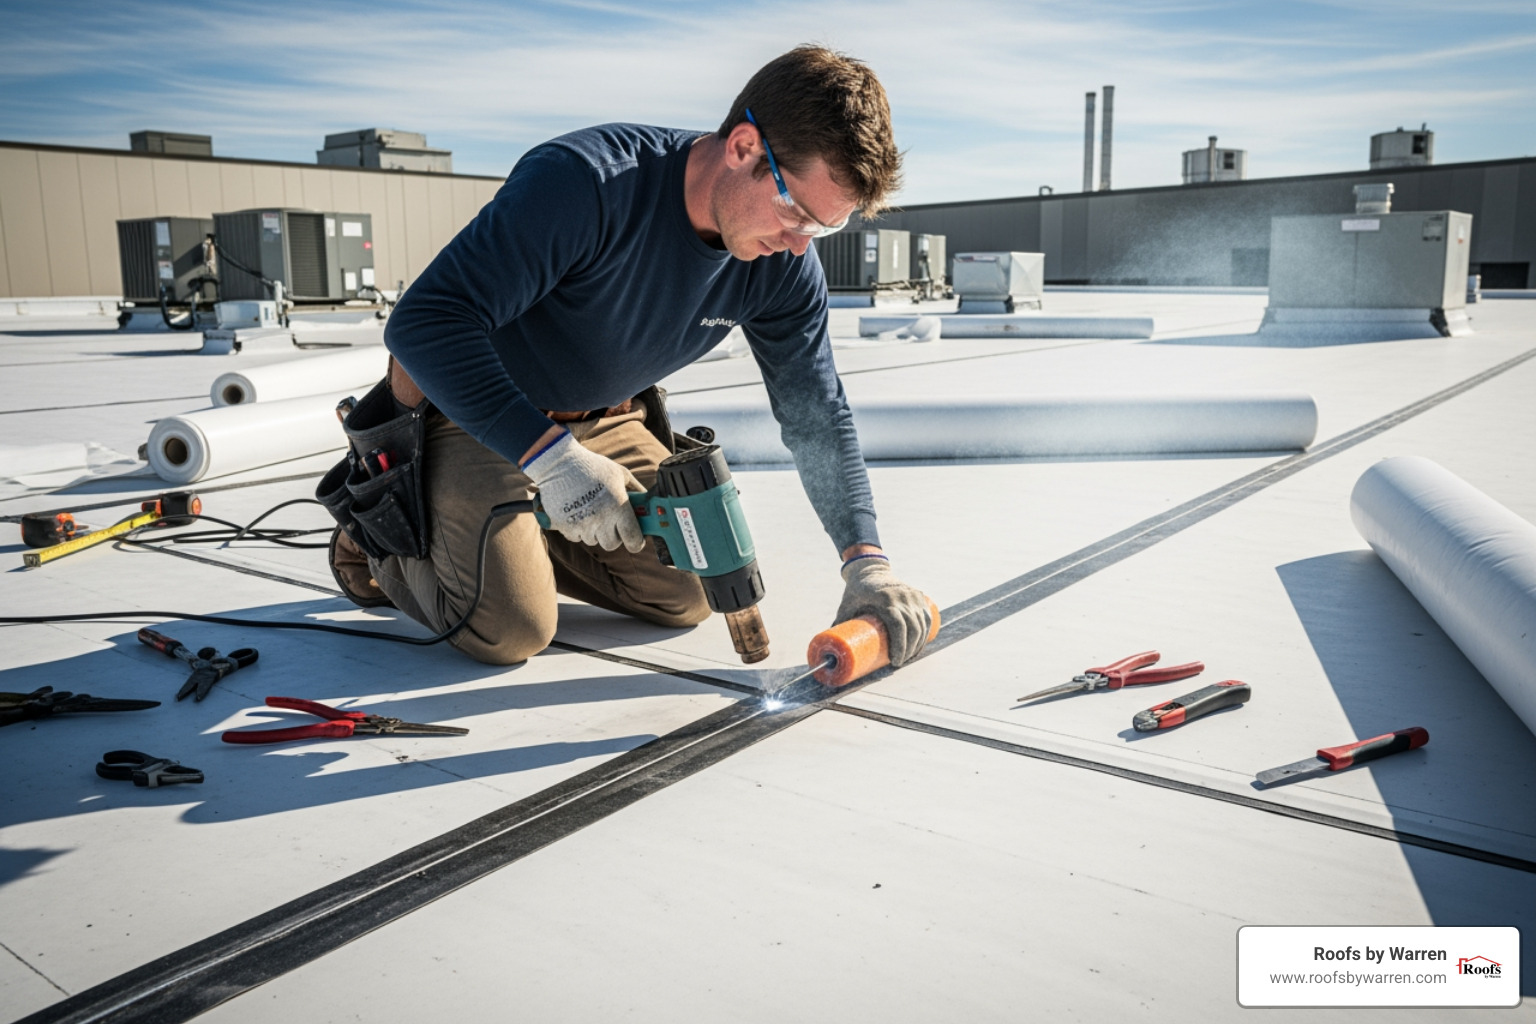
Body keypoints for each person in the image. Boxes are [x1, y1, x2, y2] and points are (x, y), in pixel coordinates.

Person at [327, 45, 934, 670]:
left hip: (607, 419)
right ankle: (380, 540)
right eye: (794, 212)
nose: (796, 244)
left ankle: (520, 534)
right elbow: (425, 322)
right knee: (510, 630)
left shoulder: (786, 264)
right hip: (475, 414)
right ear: (745, 147)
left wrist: (867, 562)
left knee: (695, 586)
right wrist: (555, 461)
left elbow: (816, 414)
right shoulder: (586, 184)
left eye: (822, 229)